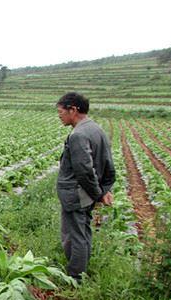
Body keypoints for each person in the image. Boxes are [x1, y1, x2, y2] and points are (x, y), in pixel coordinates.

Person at [56, 92, 115, 282]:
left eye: (61, 111)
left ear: (73, 109)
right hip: (87, 194)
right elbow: (108, 164)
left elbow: (84, 171)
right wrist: (103, 190)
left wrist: (98, 194)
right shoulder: (96, 129)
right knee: (83, 231)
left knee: (75, 236)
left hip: (77, 195)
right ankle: (82, 270)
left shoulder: (78, 135)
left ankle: (75, 277)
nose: (59, 115)